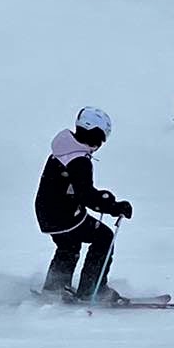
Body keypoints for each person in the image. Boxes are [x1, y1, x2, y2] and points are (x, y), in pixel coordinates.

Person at [35, 107, 132, 302]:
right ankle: (92, 289)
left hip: (49, 213)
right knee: (103, 237)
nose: (101, 143)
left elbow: (77, 189)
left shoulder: (64, 149)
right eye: (102, 137)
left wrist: (104, 199)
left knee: (69, 244)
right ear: (95, 134)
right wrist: (113, 206)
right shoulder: (78, 159)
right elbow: (86, 194)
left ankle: (55, 287)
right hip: (64, 215)